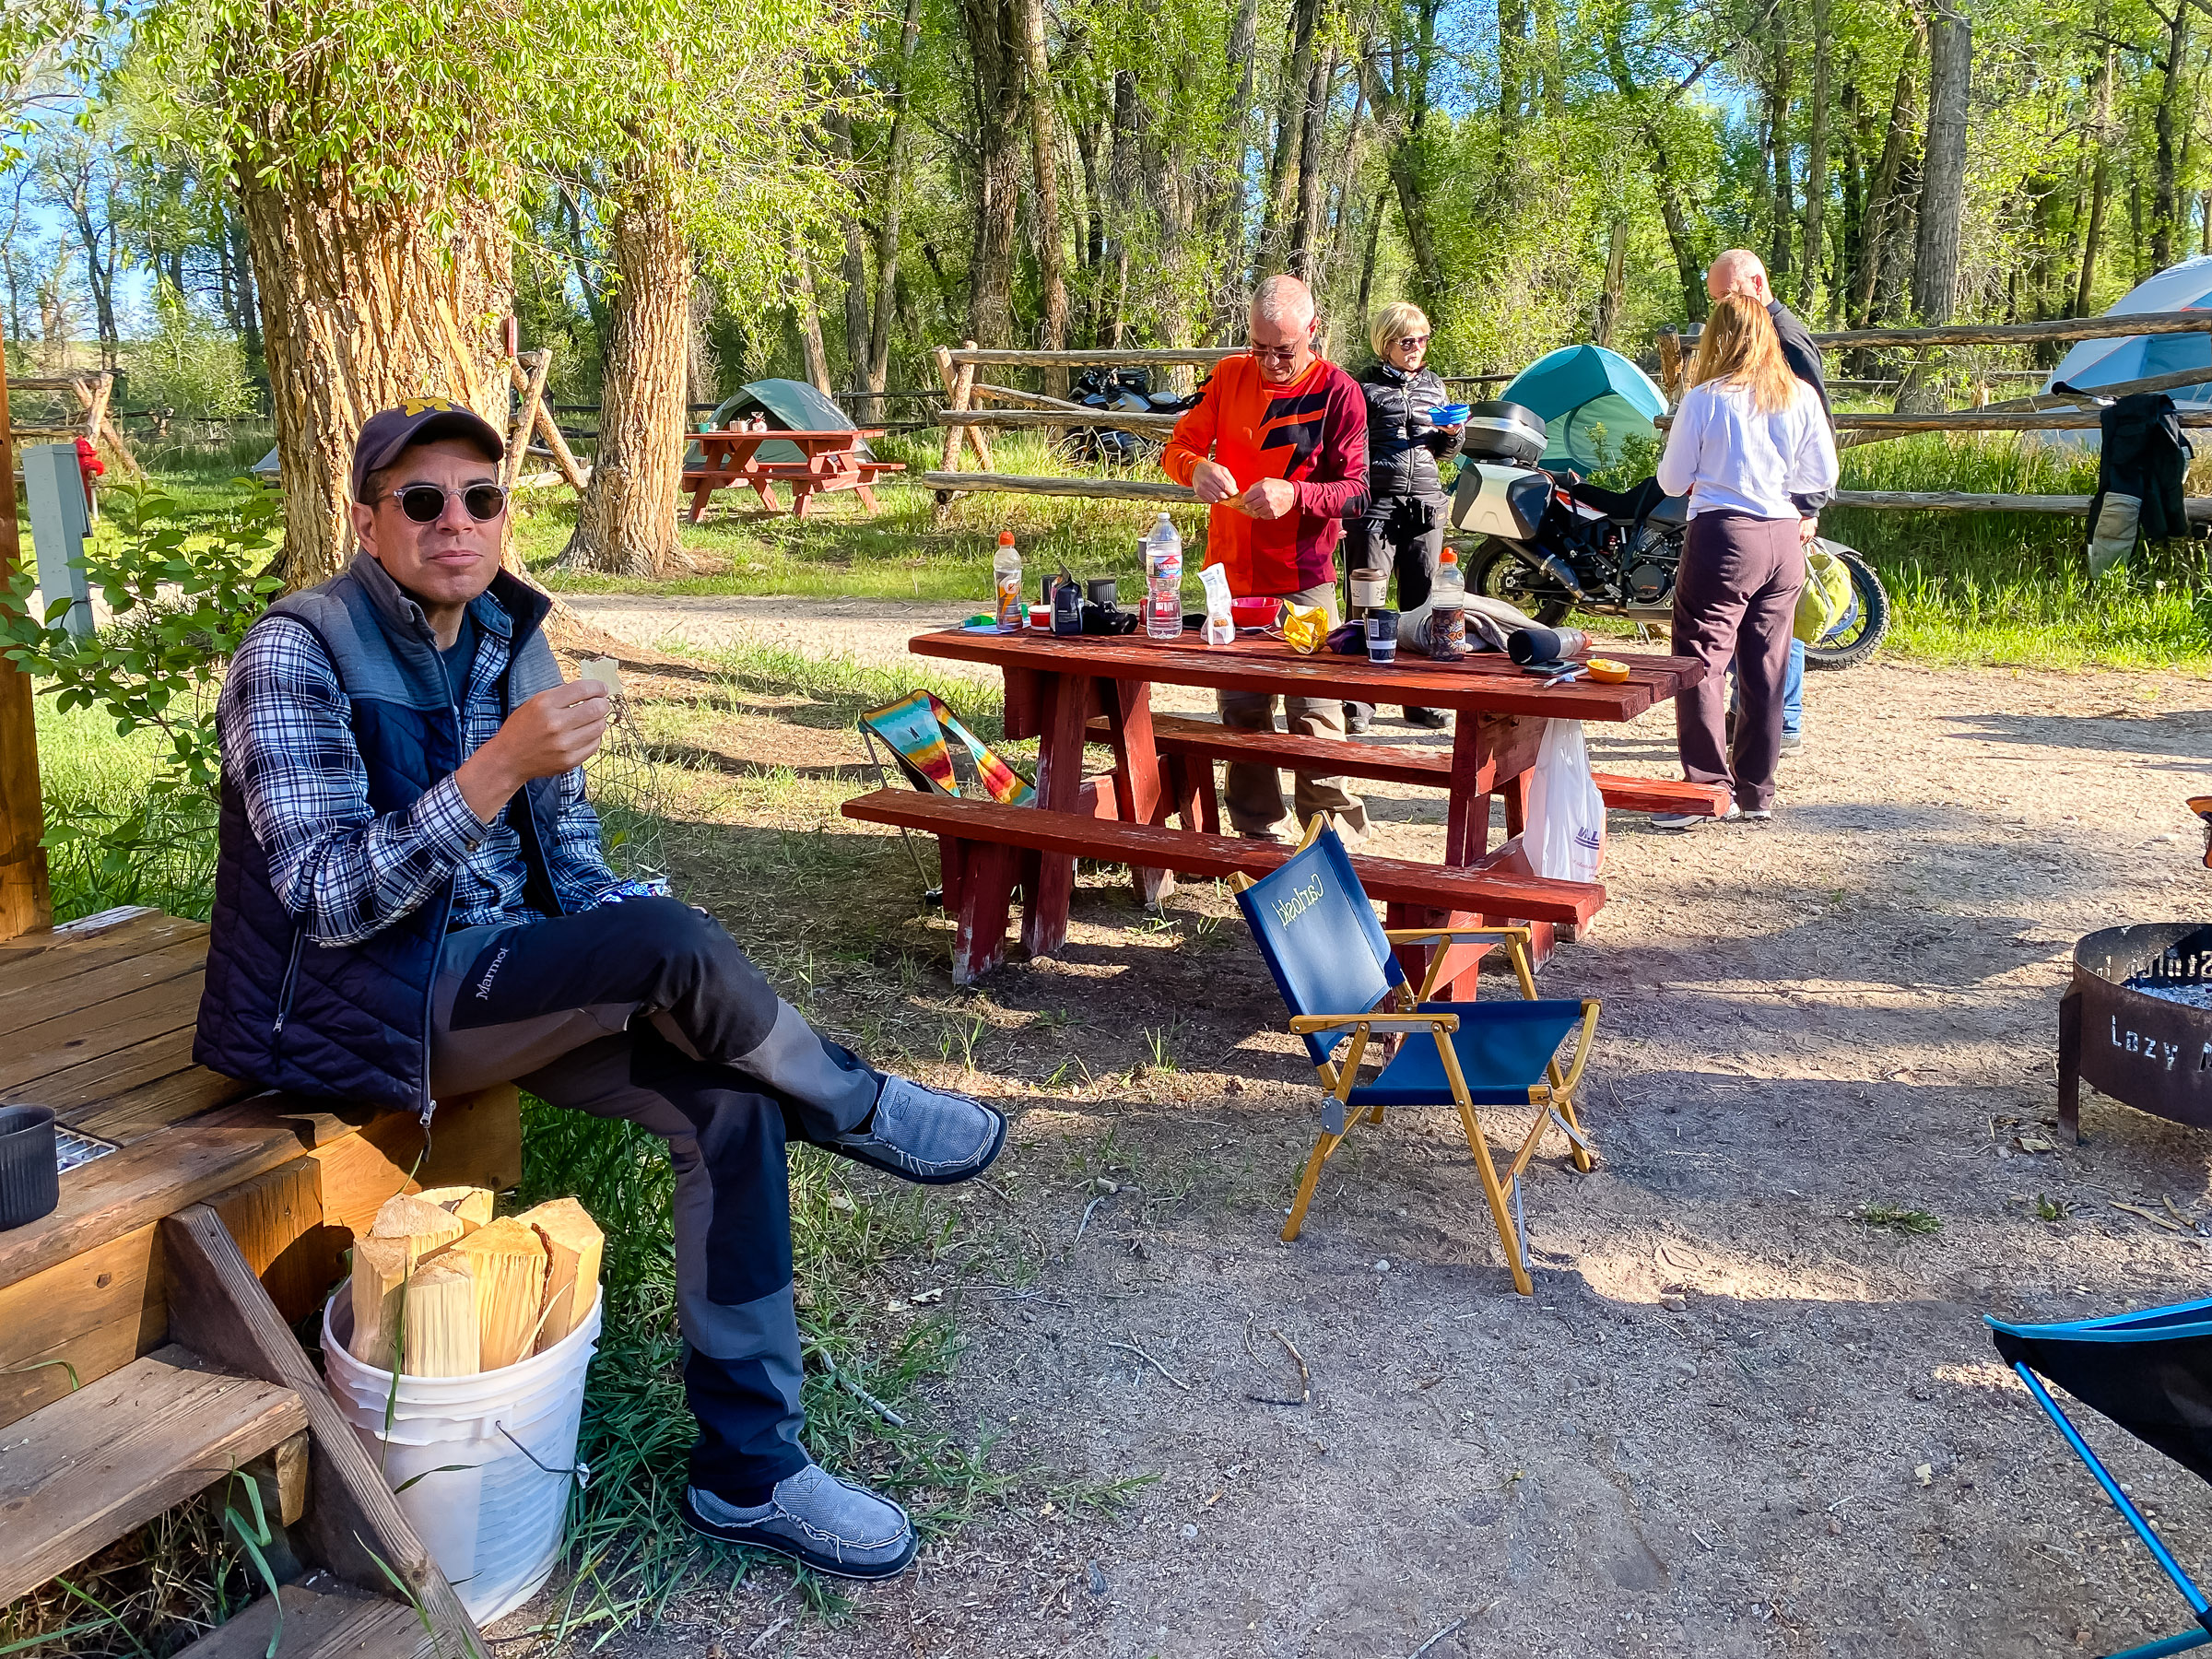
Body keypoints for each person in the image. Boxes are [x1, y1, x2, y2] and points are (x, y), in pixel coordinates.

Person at [196, 398, 1007, 1582]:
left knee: (726, 1107)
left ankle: (751, 1472)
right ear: (370, 523)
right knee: (671, 944)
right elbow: (327, 897)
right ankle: (853, 1103)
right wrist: (493, 772)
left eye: (481, 499)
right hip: (368, 996)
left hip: (510, 976)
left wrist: (615, 910)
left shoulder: (511, 638)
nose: (456, 523)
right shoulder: (297, 648)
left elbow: (567, 863)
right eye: (421, 502)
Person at [1160, 275, 1371, 842]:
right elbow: (1175, 448)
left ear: (1313, 330)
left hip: (1303, 576)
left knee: (1316, 714)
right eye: (1261, 348)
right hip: (1229, 577)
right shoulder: (1229, 376)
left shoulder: (1340, 392)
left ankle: (1331, 839)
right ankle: (1257, 833)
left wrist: (1294, 494)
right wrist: (1194, 468)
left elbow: (1356, 492)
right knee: (1242, 713)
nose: (1273, 362)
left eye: (1285, 350)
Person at [1649, 297, 1838, 830]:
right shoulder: (1800, 396)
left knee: (1701, 659)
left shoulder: (1706, 399)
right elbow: (1819, 474)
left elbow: (1670, 480)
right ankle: (1757, 792)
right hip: (1783, 538)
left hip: (1724, 534)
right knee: (1767, 665)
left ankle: (1708, 788)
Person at [1705, 249, 1833, 758]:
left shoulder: (1787, 341)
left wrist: (1808, 505)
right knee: (1765, 613)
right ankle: (1762, 713)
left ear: (1757, 284)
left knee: (1778, 618)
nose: (1721, 310)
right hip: (1767, 503)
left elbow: (1816, 425)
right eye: (1716, 301)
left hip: (1782, 505)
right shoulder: (1762, 333)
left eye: (1728, 296)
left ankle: (1786, 718)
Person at [1342, 302, 1463, 735]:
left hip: (1426, 502)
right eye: (1407, 341)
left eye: (1423, 339)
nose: (1417, 348)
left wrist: (1453, 435)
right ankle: (1359, 704)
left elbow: (1444, 452)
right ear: (1385, 343)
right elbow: (1346, 444)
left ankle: (1419, 701)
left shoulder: (1434, 386)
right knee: (1367, 602)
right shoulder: (1362, 387)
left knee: (1422, 604)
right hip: (1375, 502)